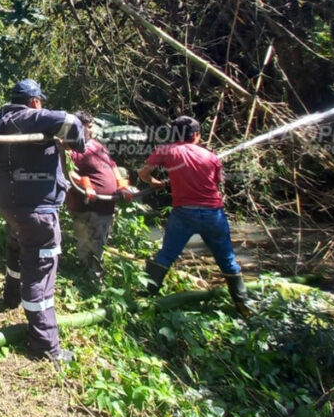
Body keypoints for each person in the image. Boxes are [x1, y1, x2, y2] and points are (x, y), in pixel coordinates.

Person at [0, 79, 86, 363]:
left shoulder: (1, 121)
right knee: (40, 270)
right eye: (40, 102)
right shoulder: (27, 117)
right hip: (36, 212)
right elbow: (69, 121)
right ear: (34, 102)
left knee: (18, 247)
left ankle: (10, 296)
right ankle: (44, 345)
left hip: (13, 206)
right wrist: (76, 140)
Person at [137, 116, 253, 317]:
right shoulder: (211, 156)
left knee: (166, 255)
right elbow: (216, 182)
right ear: (197, 135)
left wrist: (155, 182)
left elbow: (143, 174)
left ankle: (145, 298)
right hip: (213, 214)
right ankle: (243, 304)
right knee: (227, 260)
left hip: (183, 213)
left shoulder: (166, 150)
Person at [64, 111, 134, 293]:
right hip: (85, 205)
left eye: (91, 125)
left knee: (99, 241)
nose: (91, 129)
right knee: (87, 241)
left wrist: (122, 185)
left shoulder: (97, 146)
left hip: (106, 204)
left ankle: (90, 275)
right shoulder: (68, 148)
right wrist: (84, 183)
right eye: (87, 127)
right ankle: (91, 280)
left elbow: (112, 166)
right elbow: (67, 172)